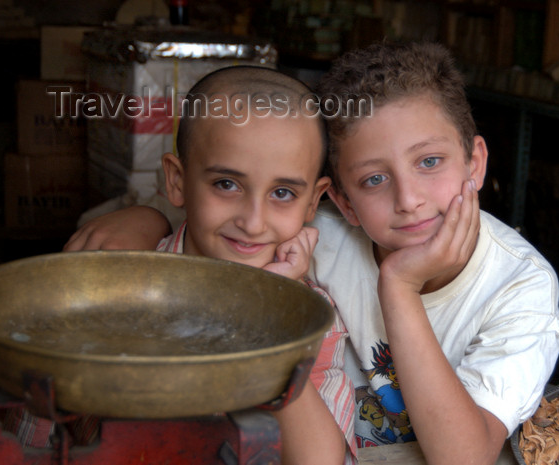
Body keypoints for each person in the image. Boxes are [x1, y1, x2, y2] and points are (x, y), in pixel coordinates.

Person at [65, 42, 559, 465]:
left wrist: (400, 285)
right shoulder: (314, 231)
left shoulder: (520, 287)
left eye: (430, 162)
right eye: (374, 179)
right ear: (339, 201)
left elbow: (464, 458)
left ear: (475, 163)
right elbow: (223, 209)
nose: (408, 199)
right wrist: (142, 218)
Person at [24, 66, 358, 465]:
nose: (252, 221)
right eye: (226, 184)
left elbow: (321, 462)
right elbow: (33, 438)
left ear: (312, 201)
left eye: (282, 192)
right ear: (177, 181)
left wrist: (269, 322)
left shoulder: (312, 321)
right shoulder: (113, 288)